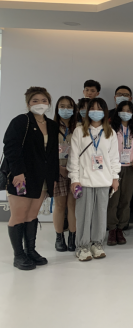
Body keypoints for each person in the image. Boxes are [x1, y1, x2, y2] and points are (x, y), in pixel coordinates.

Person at [3, 87, 59, 271]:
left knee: (32, 215)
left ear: (49, 103)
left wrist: (53, 177)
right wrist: (18, 172)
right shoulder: (21, 121)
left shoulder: (52, 125)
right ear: (28, 103)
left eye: (44, 100)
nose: (40, 104)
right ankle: (18, 255)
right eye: (35, 100)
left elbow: (53, 155)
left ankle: (30, 251)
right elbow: (10, 147)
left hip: (42, 178)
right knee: (19, 215)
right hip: (22, 178)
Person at [68, 98, 121, 262]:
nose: (96, 112)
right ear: (87, 111)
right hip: (84, 181)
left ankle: (97, 244)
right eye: (92, 108)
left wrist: (115, 177)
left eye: (99, 109)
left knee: (100, 214)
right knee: (83, 215)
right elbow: (73, 158)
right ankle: (82, 246)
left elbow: (114, 158)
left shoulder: (110, 132)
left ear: (105, 112)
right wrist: (74, 179)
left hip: (104, 181)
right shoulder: (79, 131)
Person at [107, 101, 133, 246]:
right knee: (113, 200)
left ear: (132, 113)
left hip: (129, 167)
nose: (125, 113)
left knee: (126, 199)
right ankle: (112, 229)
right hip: (114, 168)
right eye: (123, 110)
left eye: (128, 111)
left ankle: (121, 228)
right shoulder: (111, 128)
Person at [53, 96, 78, 253]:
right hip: (58, 170)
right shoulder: (51, 126)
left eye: (69, 106)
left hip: (75, 173)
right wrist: (58, 168)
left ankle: (73, 237)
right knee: (60, 205)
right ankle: (59, 237)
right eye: (62, 106)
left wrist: (74, 169)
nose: (66, 109)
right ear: (57, 108)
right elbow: (46, 151)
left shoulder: (79, 127)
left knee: (73, 205)